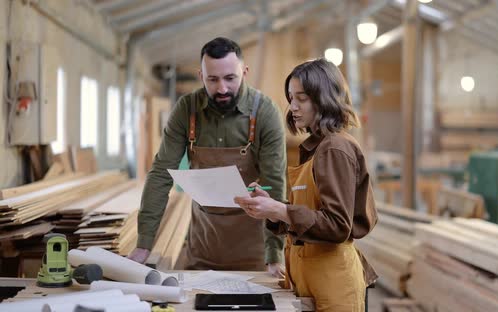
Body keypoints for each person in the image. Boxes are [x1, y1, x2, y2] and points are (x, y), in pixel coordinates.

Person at [128, 37, 286, 277]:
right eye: (213, 79)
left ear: (244, 72)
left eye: (230, 78)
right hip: (202, 246)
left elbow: (275, 183)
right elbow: (161, 173)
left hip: (253, 248)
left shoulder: (264, 112)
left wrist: (274, 254)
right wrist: (144, 243)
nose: (222, 88)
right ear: (201, 76)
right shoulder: (186, 110)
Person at [234, 58, 378, 311]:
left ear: (324, 98)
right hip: (310, 277)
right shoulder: (316, 148)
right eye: (291, 98)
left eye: (302, 98)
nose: (293, 107)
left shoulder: (335, 148)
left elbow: (337, 225)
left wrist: (281, 211)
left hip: (333, 281)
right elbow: (310, 212)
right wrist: (273, 207)